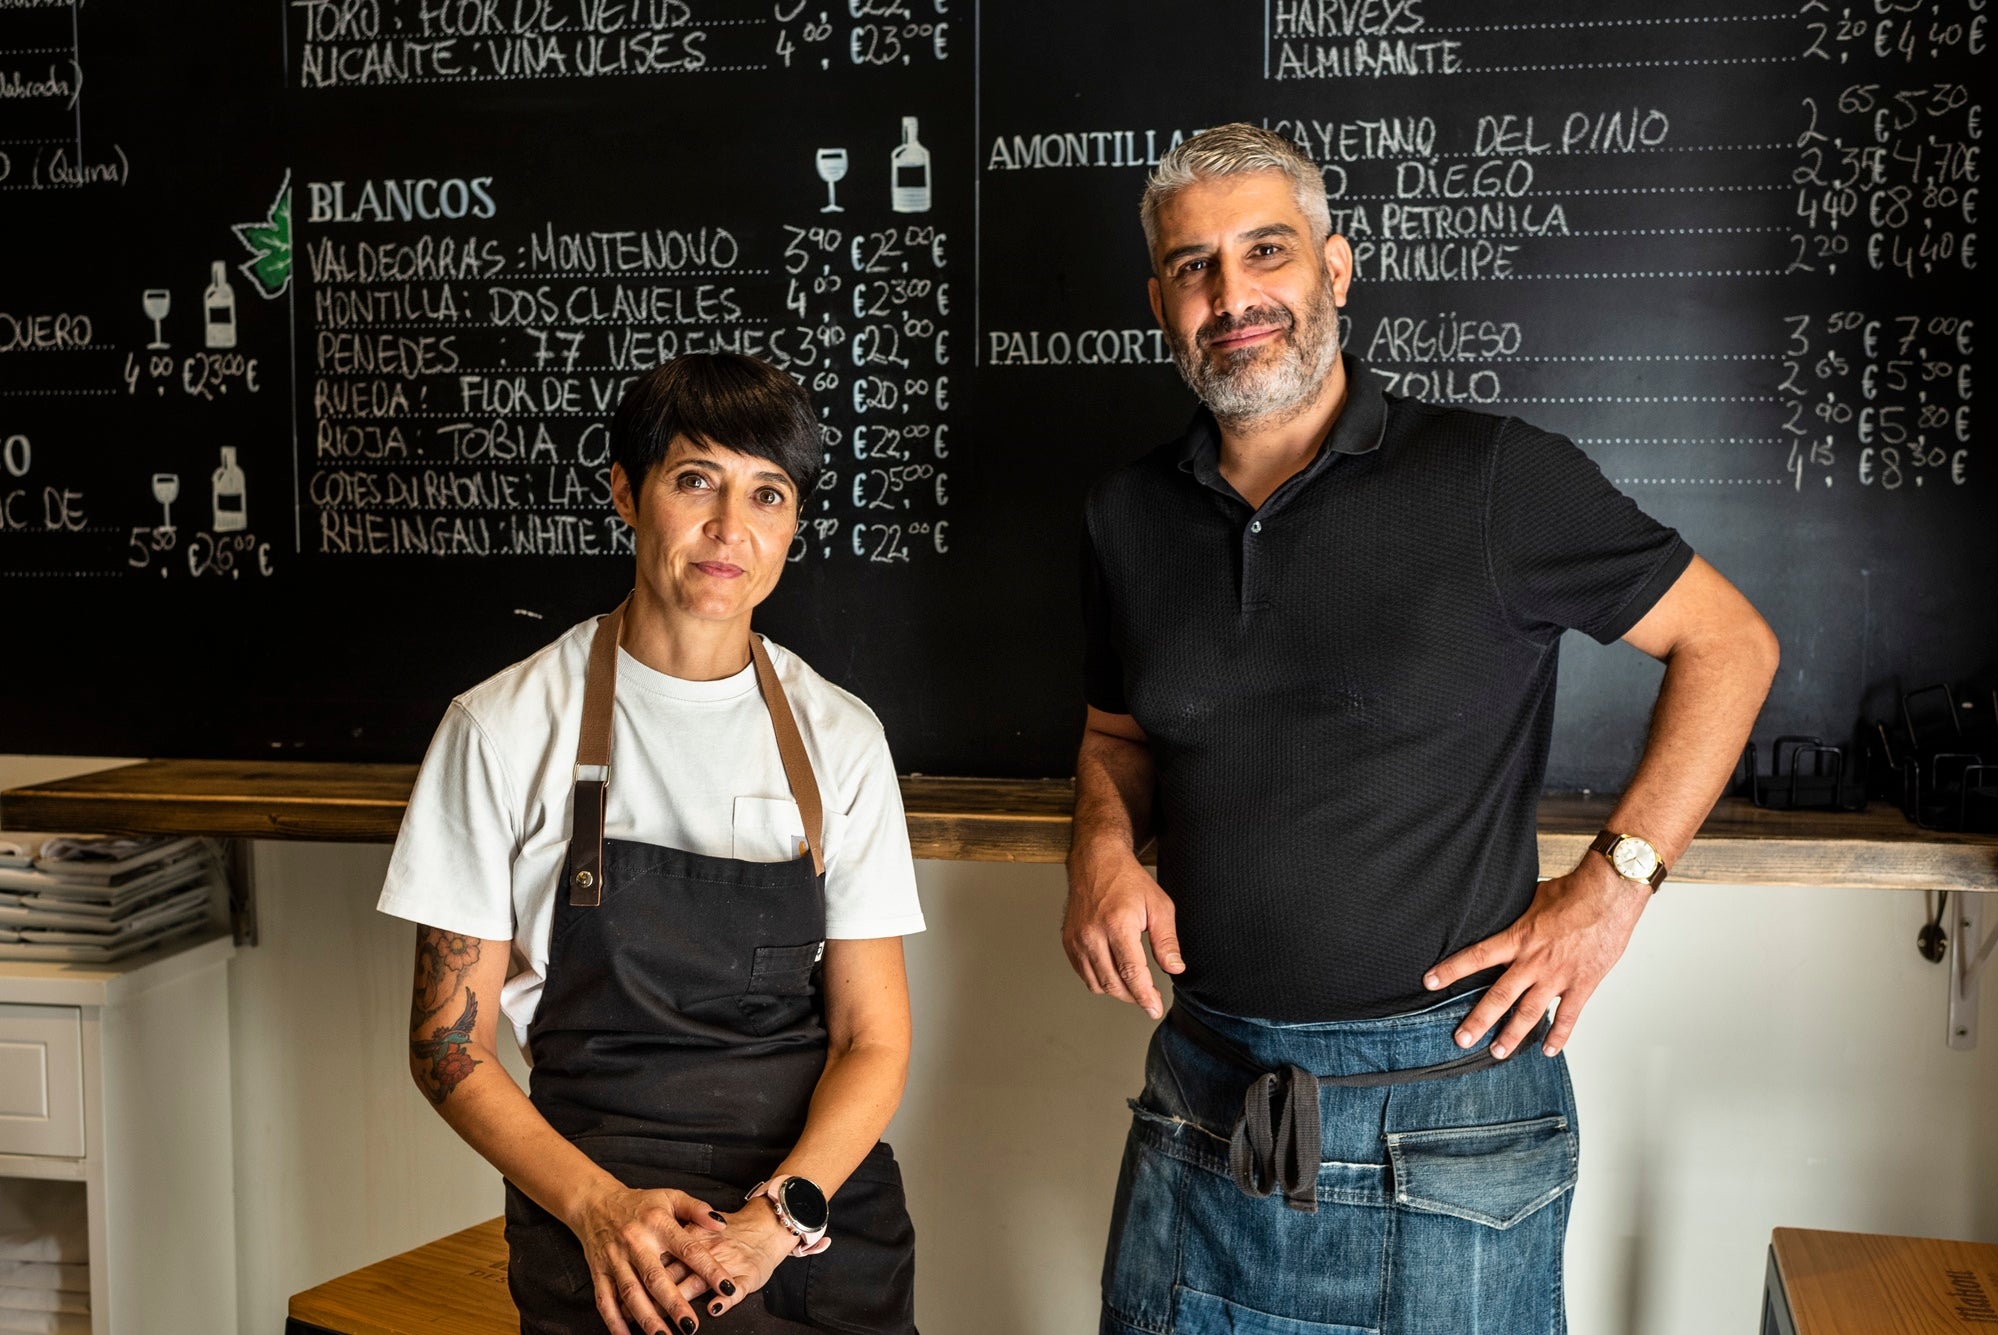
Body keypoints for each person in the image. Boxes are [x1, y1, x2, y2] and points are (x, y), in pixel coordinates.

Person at [1064, 123, 1780, 1333]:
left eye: (1265, 252)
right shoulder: (1125, 515)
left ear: (1334, 270)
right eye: (1194, 266)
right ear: (1158, 300)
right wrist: (1097, 848)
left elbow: (1731, 645)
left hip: (1446, 1122)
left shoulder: (1495, 479)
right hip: (1200, 1098)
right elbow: (1116, 739)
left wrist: (1614, 887)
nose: (1232, 295)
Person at [378, 353, 927, 1335]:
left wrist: (771, 1221)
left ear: (792, 524)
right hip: (602, 1220)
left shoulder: (839, 738)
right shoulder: (501, 728)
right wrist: (597, 1209)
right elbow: (446, 1043)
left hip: (805, 1218)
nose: (730, 527)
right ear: (627, 494)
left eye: (767, 492)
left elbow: (870, 1038)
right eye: (694, 480)